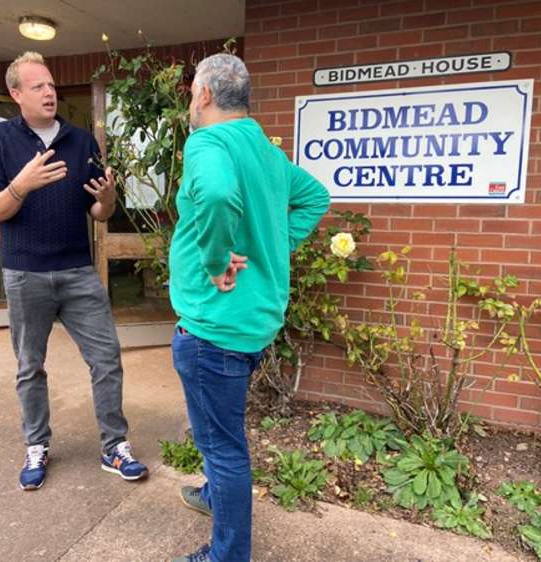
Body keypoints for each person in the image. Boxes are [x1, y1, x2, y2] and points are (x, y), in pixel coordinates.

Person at [169, 54, 330, 562]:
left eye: (192, 91)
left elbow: (216, 194)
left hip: (213, 327)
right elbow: (316, 197)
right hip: (250, 324)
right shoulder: (264, 150)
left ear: (204, 94)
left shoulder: (209, 142)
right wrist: (273, 247)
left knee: (224, 447)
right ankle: (214, 495)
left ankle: (227, 555)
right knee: (221, 432)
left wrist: (217, 261)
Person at [0, 51, 147, 490]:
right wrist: (22, 184)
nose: (49, 92)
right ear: (16, 94)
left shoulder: (80, 140)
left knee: (106, 358)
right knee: (30, 365)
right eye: (38, 87)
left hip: (77, 272)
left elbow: (99, 211)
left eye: (51, 85)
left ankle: (115, 446)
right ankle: (37, 445)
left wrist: (108, 197)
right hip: (25, 274)